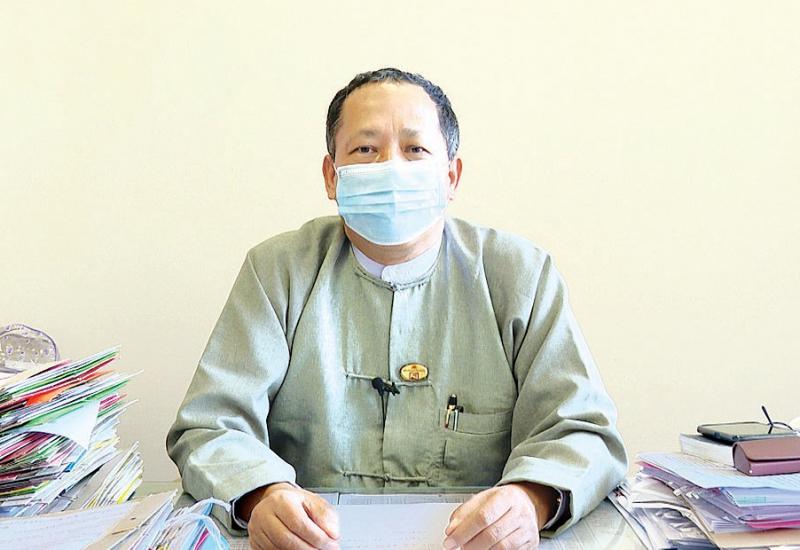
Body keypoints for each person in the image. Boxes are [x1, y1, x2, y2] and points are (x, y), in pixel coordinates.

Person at [167, 67, 627, 550]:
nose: (391, 166)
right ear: (332, 176)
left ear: (451, 177)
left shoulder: (519, 275)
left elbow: (584, 430)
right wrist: (261, 495)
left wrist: (531, 498)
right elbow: (209, 426)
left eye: (415, 149)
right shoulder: (278, 271)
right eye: (366, 150)